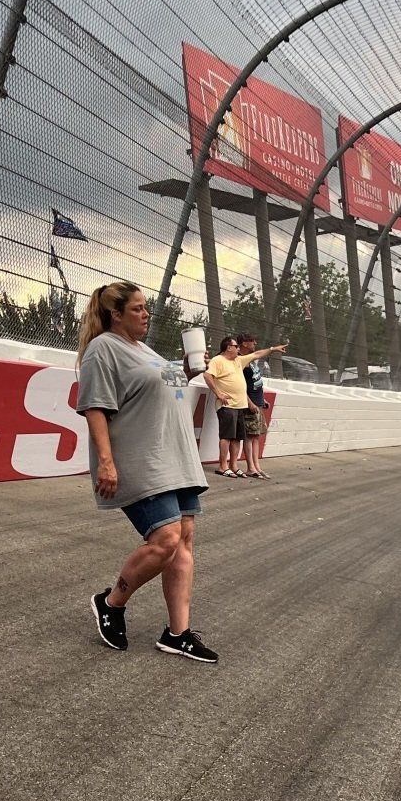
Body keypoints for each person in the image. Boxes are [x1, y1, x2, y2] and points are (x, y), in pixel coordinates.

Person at [76, 282, 218, 663]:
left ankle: (178, 633)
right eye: (137, 309)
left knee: (184, 540)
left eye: (146, 308)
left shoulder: (145, 351)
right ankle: (111, 602)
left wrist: (187, 369)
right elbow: (94, 407)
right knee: (165, 540)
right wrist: (106, 462)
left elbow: (163, 389)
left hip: (176, 459)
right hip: (143, 461)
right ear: (115, 314)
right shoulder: (102, 349)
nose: (146, 314)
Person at [204, 332, 287, 479]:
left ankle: (233, 466)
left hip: (239, 405)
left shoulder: (238, 360)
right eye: (236, 346)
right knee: (227, 436)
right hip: (227, 405)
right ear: (228, 347)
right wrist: (218, 394)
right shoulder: (218, 360)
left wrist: (273, 349)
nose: (238, 349)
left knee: (237, 438)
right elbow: (207, 375)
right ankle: (222, 466)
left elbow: (257, 354)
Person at [234, 333, 271, 478]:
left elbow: (256, 382)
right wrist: (249, 402)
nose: (255, 343)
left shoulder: (252, 360)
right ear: (244, 343)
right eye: (252, 341)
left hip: (259, 401)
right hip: (250, 403)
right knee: (249, 436)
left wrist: (263, 399)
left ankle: (257, 466)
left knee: (256, 436)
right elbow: (240, 385)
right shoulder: (240, 361)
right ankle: (250, 467)